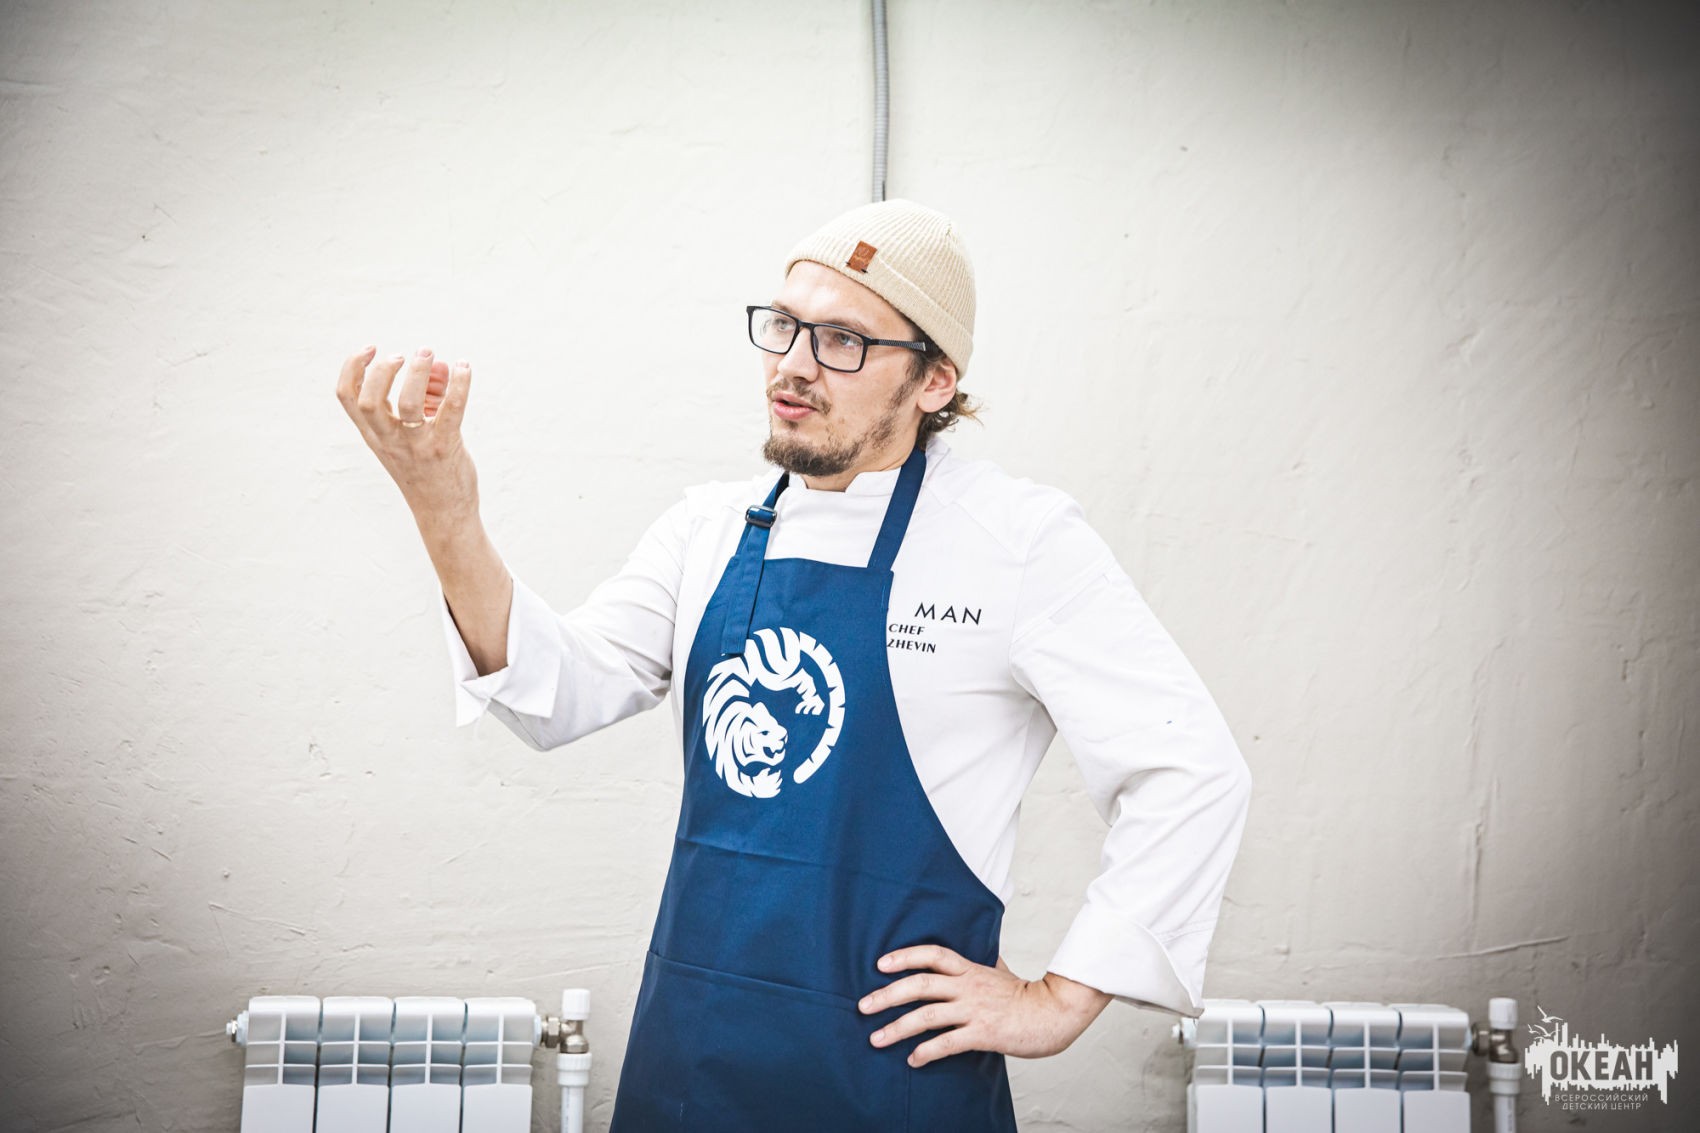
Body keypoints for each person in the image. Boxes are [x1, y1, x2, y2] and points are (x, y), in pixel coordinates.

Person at [336, 198, 1253, 1131]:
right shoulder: (707, 527)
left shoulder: (1017, 542)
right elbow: (553, 695)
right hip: (689, 1063)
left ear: (935, 379)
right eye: (784, 325)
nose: (794, 365)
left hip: (894, 1084)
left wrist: (1058, 1000)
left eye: (844, 340)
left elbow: (1191, 768)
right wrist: (445, 508)